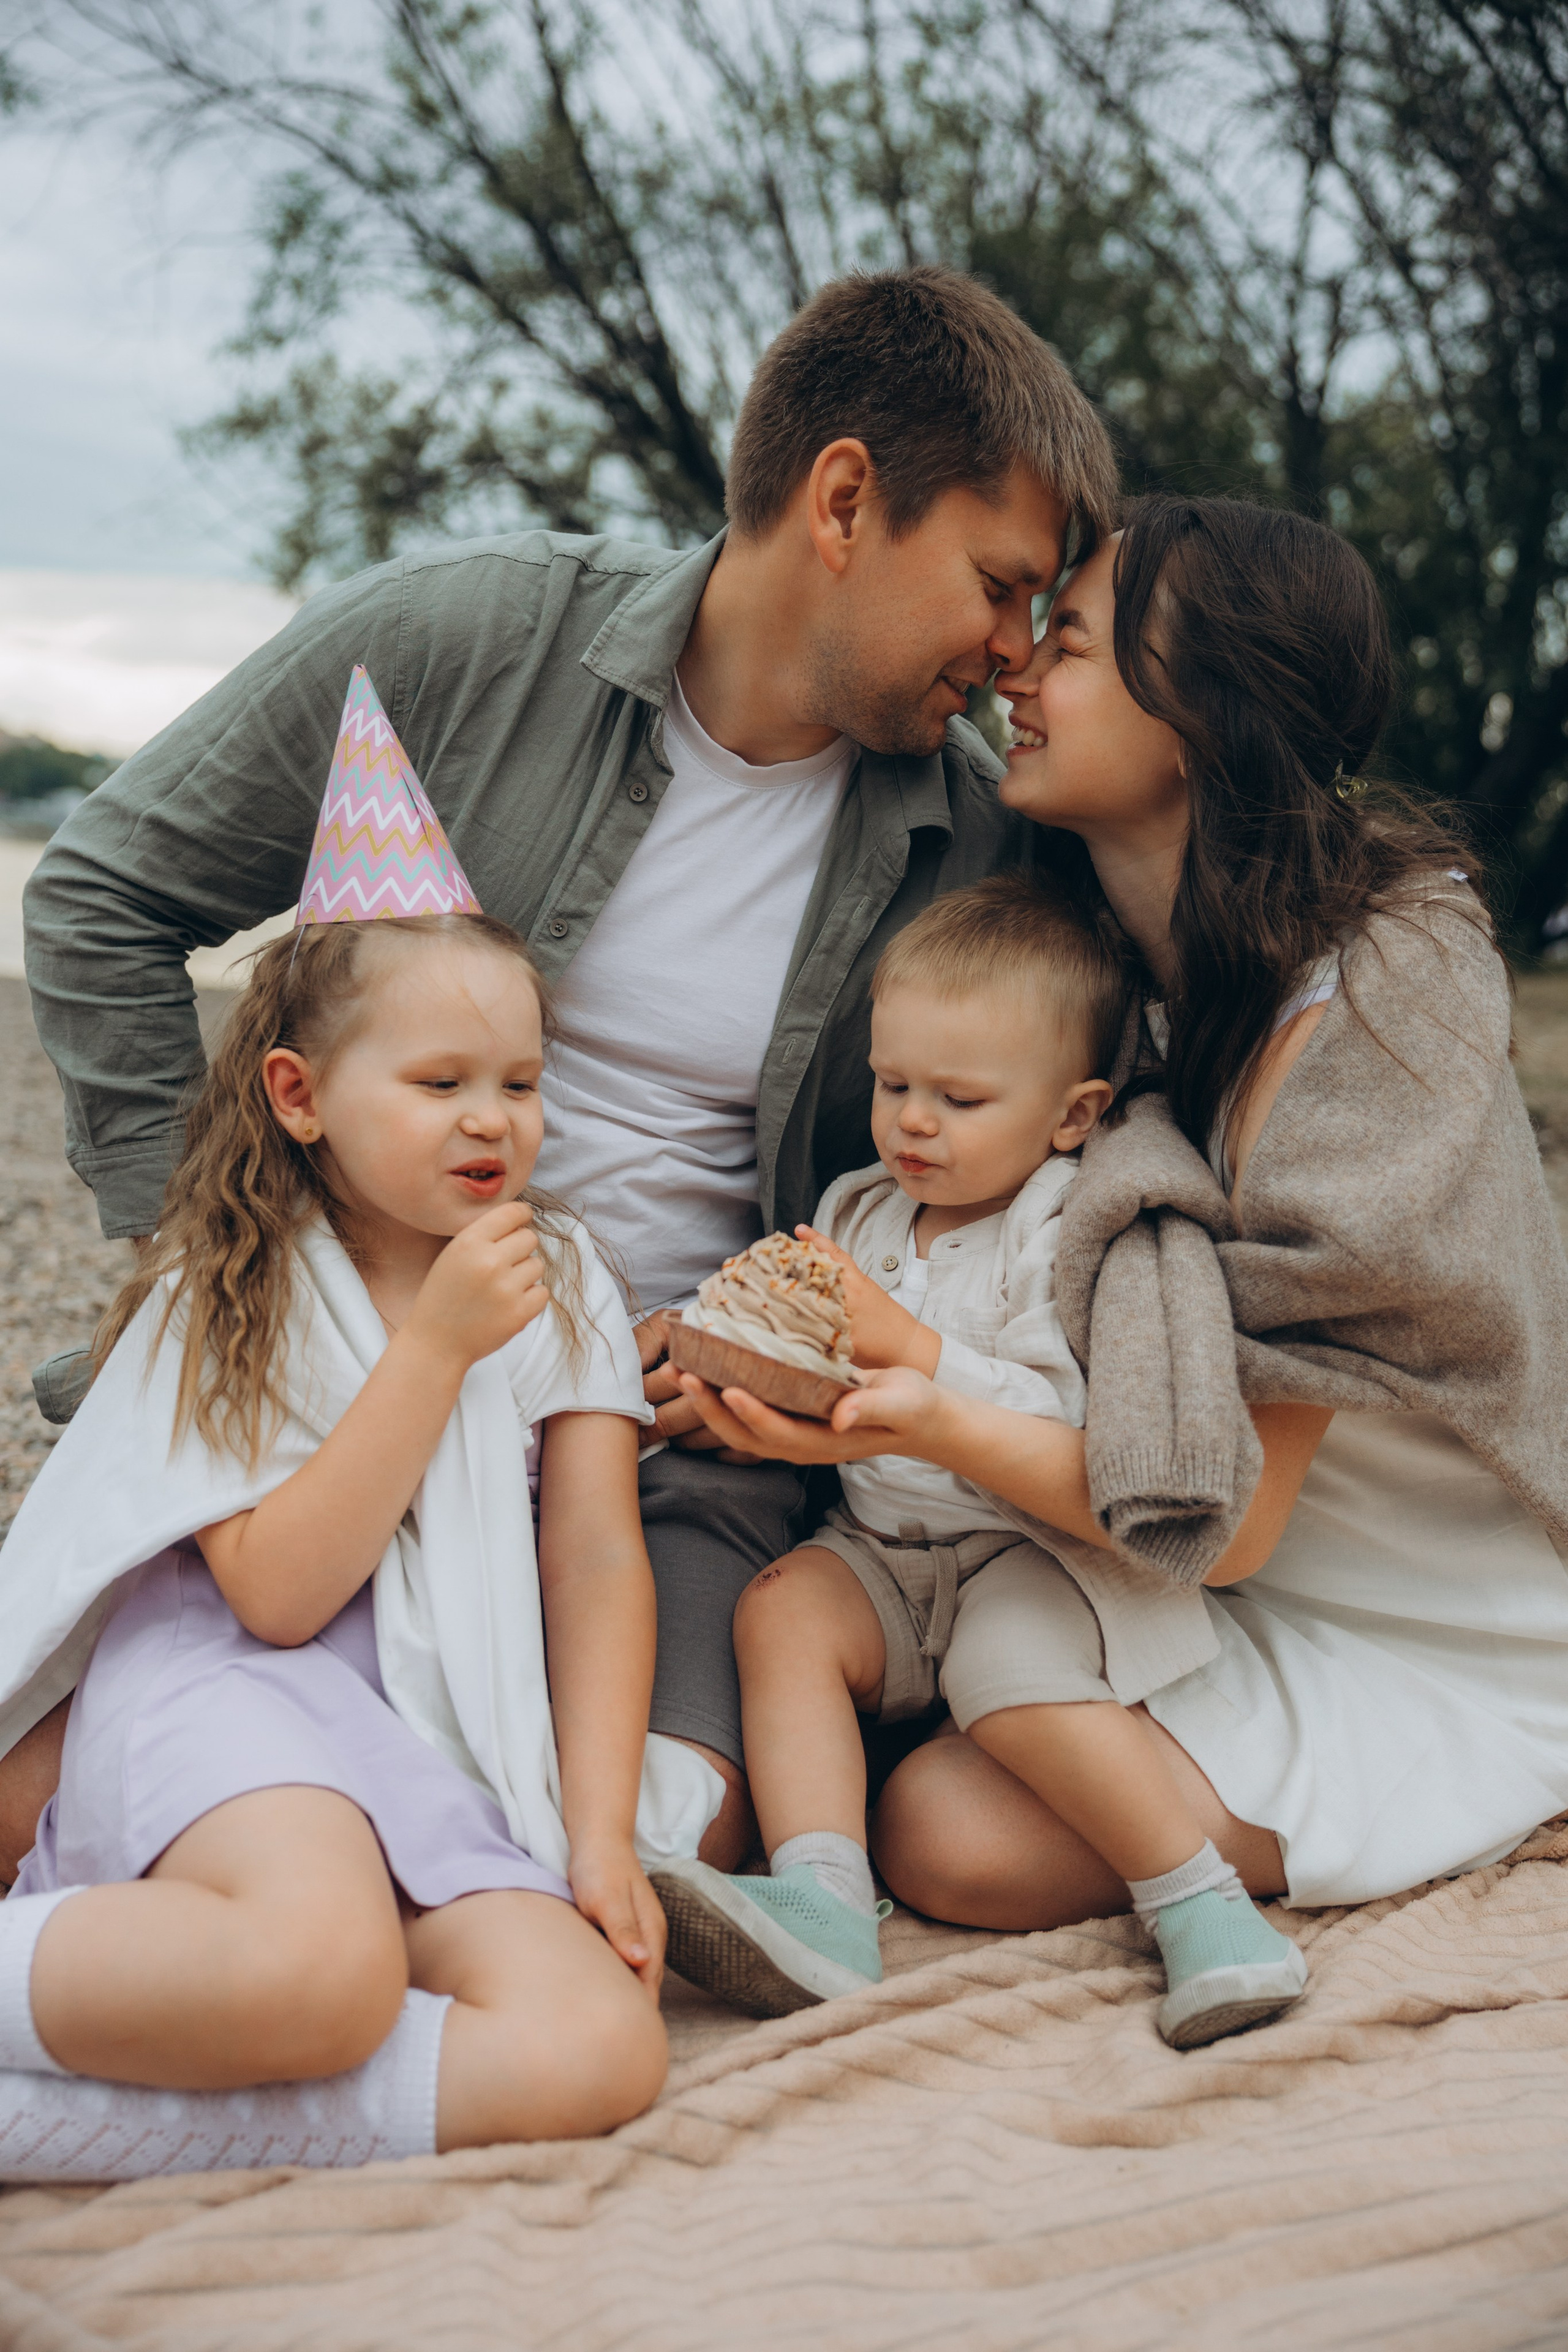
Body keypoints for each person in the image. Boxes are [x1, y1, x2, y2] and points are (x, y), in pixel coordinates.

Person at [7, 266, 1120, 1880]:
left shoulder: (978, 843)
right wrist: (225, 1262)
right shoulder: (460, 642)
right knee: (54, 1795)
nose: (1016, 655)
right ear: (845, 500)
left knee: (673, 1831)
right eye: (998, 586)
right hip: (333, 1389)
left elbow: (995, 1159)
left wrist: (766, 1336)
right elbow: (101, 893)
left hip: (670, 1454)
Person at [673, 494, 1568, 1977]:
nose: (1014, 667)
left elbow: (1221, 1526)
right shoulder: (1118, 991)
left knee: (952, 1837)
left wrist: (914, 1415)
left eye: (1068, 640)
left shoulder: (1376, 1005)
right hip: (1160, 1578)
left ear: (1196, 716)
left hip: (1403, 1612)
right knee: (926, 1803)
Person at [0, 826, 684, 2176]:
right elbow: (273, 1594)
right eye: (439, 1082)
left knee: (595, 2046)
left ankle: (84, 2116)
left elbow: (595, 1561)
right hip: (232, 1689)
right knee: (321, 1972)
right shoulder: (232, 1286)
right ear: (299, 1094)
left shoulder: (563, 1276)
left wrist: (599, 1839)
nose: (492, 1118)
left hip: (433, 1729)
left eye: (521, 1082)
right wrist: (432, 1350)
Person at [654, 872, 1308, 2046]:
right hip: (884, 1550)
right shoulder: (856, 1213)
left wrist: (911, 1346)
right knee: (782, 1611)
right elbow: (812, 1346)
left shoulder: (1063, 1228)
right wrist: (734, 1362)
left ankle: (1200, 1905)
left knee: (1008, 1682)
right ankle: (825, 1900)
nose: (911, 1122)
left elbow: (1075, 1418)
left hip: (1032, 1549)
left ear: (1071, 1114)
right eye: (894, 1084)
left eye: (958, 1098)